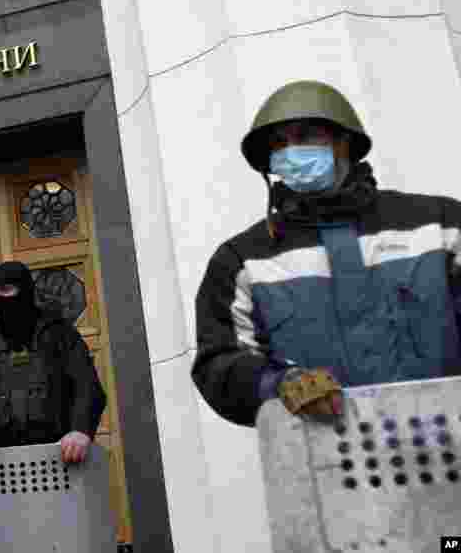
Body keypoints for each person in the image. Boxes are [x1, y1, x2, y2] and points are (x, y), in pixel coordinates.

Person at [192, 80, 461, 427]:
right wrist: (279, 384)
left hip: (446, 441)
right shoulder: (242, 261)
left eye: (306, 136)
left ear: (343, 141)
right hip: (323, 454)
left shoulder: (440, 226)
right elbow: (220, 363)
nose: (291, 151)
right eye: (279, 143)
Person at [0, 260, 107, 471]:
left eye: (6, 289)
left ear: (25, 290)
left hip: (60, 460)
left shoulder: (60, 333)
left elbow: (87, 386)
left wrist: (80, 430)